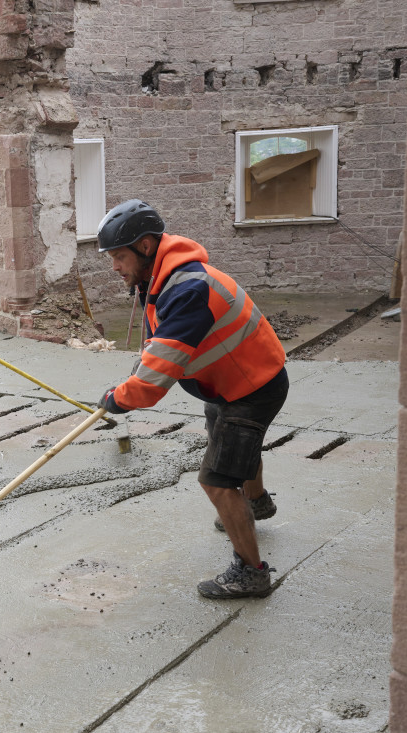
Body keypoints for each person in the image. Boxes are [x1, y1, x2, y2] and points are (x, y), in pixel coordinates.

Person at [96, 199, 289, 599]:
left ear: (146, 247)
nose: (114, 266)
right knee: (231, 442)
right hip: (233, 381)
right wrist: (135, 378)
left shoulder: (187, 290)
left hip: (251, 387)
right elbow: (158, 348)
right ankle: (257, 503)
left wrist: (119, 398)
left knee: (217, 480)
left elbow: (153, 383)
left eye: (118, 256)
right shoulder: (164, 278)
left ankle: (252, 574)